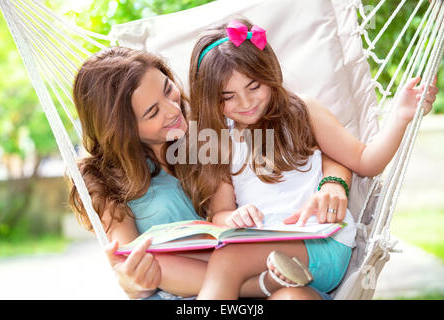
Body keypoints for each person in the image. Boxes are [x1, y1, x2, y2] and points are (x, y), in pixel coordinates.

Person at [182, 18, 439, 300]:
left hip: (321, 243)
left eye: (254, 87)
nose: (245, 103)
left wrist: (400, 117)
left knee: (227, 260)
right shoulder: (218, 142)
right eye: (228, 96)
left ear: (268, 72)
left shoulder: (301, 111)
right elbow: (220, 213)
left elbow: (366, 161)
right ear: (210, 99)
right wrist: (234, 217)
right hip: (262, 252)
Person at [69, 46, 352, 300]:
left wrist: (333, 183)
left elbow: (315, 147)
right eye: (153, 112)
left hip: (263, 273)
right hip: (196, 292)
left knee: (295, 298)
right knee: (155, 259)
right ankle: (260, 285)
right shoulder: (104, 181)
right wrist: (134, 284)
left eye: (169, 90)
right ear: (121, 128)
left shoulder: (212, 134)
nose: (173, 110)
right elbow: (132, 264)